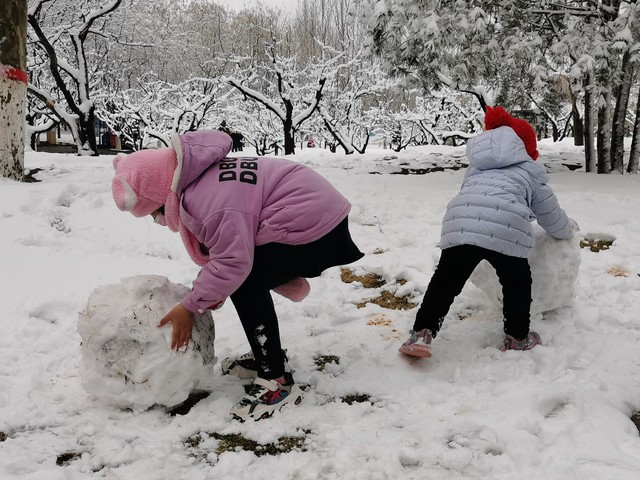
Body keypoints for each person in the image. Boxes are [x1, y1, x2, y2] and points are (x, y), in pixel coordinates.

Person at [111, 130, 363, 420]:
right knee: (242, 278)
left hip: (316, 227)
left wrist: (190, 306)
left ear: (160, 193)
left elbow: (232, 262)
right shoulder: (202, 178)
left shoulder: (203, 199)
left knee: (245, 281)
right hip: (319, 216)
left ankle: (276, 383)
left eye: (155, 212)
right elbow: (229, 250)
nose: (159, 220)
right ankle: (268, 357)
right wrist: (211, 289)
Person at [399, 106, 578, 359]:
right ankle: (517, 337)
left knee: (445, 282)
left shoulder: (477, 167)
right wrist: (565, 229)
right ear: (526, 147)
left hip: (460, 225)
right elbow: (549, 214)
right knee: (516, 282)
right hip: (506, 230)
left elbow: (473, 197)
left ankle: (421, 334)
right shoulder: (531, 171)